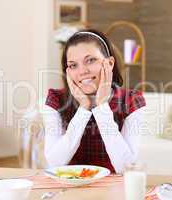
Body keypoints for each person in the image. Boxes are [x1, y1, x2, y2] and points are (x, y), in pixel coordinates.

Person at [42, 29, 145, 173]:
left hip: (113, 187)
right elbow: (54, 162)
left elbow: (125, 167)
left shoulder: (132, 101)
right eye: (73, 65)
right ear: (68, 72)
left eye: (90, 60)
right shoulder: (56, 99)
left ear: (109, 63)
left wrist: (102, 106)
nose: (82, 71)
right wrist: (84, 109)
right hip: (69, 186)